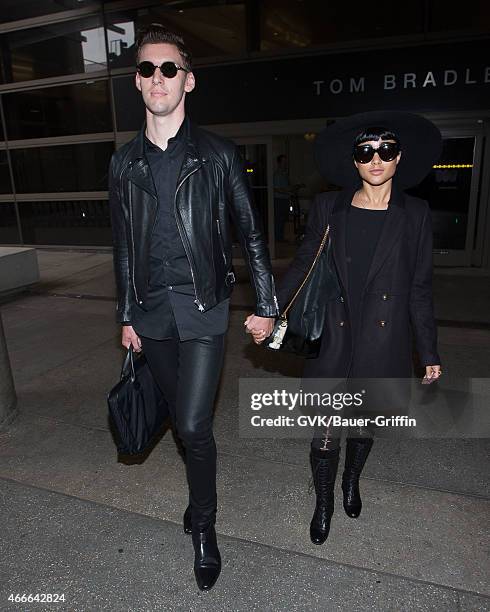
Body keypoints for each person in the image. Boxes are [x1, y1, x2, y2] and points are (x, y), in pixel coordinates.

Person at [108, 23, 276, 591]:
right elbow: (123, 246)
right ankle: (197, 502)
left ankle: (204, 526)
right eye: (148, 69)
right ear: (137, 82)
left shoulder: (218, 156)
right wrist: (126, 315)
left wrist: (267, 304)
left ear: (188, 80)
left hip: (203, 309)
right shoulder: (123, 163)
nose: (159, 77)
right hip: (152, 314)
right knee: (182, 421)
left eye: (169, 68)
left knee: (195, 424)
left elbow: (251, 235)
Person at [251, 111, 442, 545]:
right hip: (335, 334)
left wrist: (428, 350)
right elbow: (303, 265)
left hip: (384, 337)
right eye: (365, 152)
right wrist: (269, 309)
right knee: (326, 428)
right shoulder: (329, 207)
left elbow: (419, 287)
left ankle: (351, 482)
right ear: (354, 161)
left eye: (386, 151)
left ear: (399, 158)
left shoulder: (415, 213)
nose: (376, 159)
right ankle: (324, 504)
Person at [273, 154, 292, 242]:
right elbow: (276, 189)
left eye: (286, 162)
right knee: (279, 220)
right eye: (283, 162)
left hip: (284, 199)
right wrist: (288, 192)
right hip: (279, 200)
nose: (285, 164)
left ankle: (280, 237)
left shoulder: (284, 174)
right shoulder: (277, 175)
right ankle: (278, 238)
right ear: (279, 163)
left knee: (282, 220)